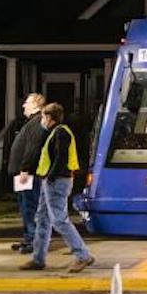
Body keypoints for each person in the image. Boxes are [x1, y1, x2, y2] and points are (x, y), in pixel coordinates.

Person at [21, 102, 95, 273]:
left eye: (44, 117)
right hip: (51, 180)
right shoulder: (57, 132)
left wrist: (51, 177)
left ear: (49, 117)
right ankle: (38, 259)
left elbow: (60, 158)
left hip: (57, 182)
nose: (42, 121)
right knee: (42, 218)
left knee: (59, 220)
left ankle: (83, 256)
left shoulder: (61, 133)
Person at [6, 93, 48, 254]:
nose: (23, 105)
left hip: (27, 174)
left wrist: (25, 169)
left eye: (27, 103)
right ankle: (29, 237)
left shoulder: (37, 122)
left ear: (37, 106)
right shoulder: (32, 122)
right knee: (25, 206)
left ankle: (34, 241)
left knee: (30, 206)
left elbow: (33, 149)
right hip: (23, 173)